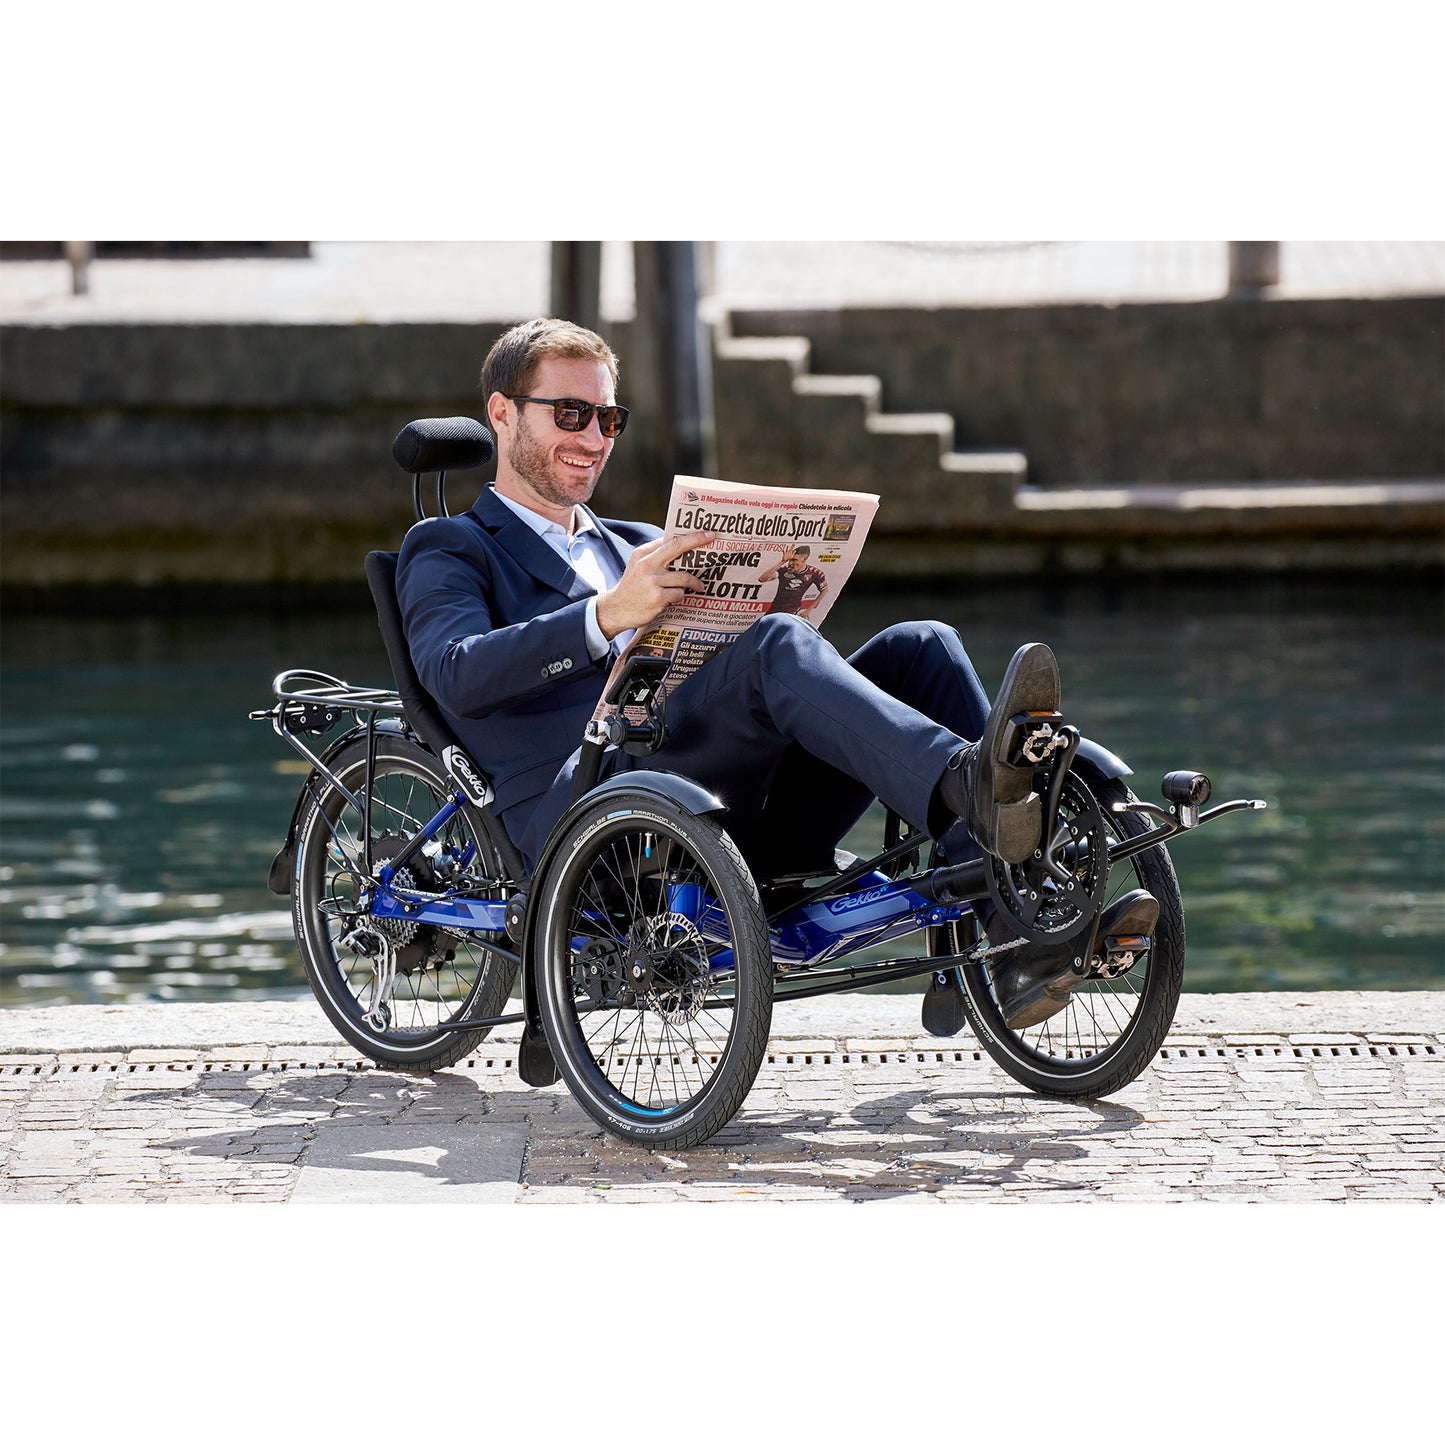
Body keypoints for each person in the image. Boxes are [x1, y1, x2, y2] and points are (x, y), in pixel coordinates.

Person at [396, 319, 1112, 1013]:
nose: (592, 438)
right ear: (503, 414)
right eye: (571, 414)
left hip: (725, 795)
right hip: (587, 817)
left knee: (921, 645)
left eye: (608, 419)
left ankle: (1017, 933)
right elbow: (453, 670)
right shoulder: (451, 547)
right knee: (773, 646)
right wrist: (606, 614)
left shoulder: (642, 541)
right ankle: (968, 782)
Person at [759, 544, 828, 617]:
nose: (790, 563)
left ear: (804, 559)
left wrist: (808, 610)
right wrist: (782, 561)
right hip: (774, 609)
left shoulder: (815, 573)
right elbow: (762, 579)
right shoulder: (784, 570)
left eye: (794, 560)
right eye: (789, 560)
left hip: (791, 612)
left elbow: (824, 590)